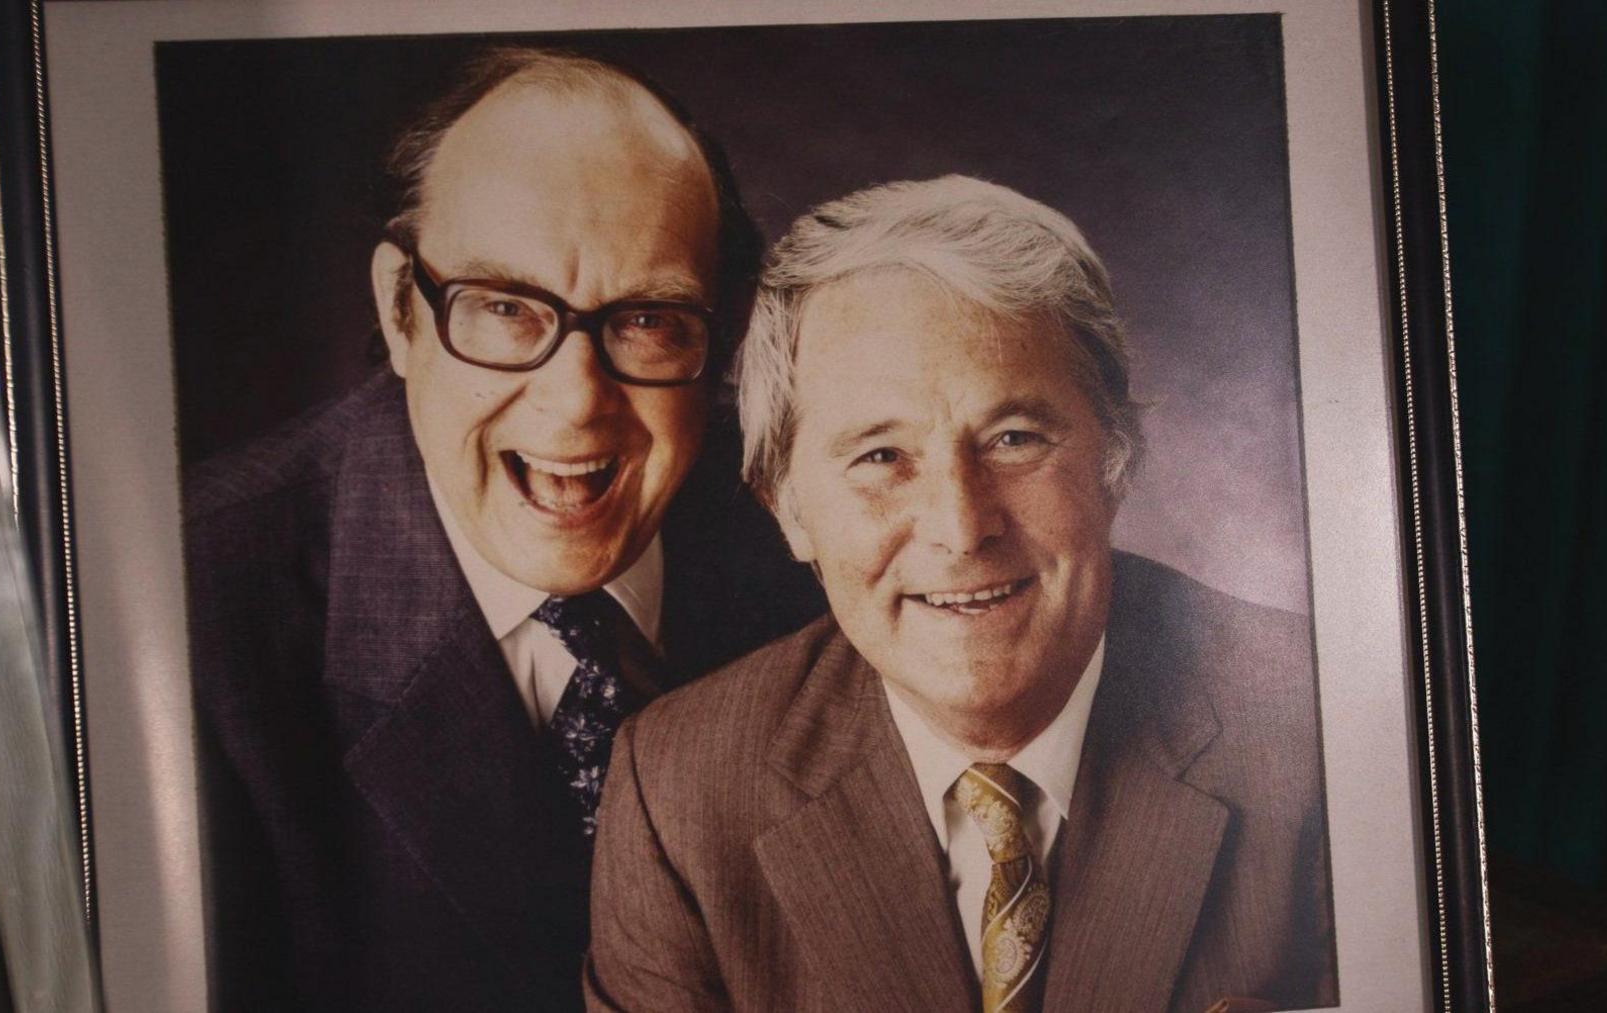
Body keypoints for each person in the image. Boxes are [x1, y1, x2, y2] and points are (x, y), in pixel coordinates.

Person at [587, 176, 1337, 1012]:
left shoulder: (1321, 726)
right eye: (880, 456)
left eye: (1014, 438)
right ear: (789, 510)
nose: (959, 524)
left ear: (1116, 460)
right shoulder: (681, 792)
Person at [184, 48, 818, 1011]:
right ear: (401, 310)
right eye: (506, 308)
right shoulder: (194, 606)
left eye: (647, 319)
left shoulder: (823, 532)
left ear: (718, 336)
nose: (574, 406)